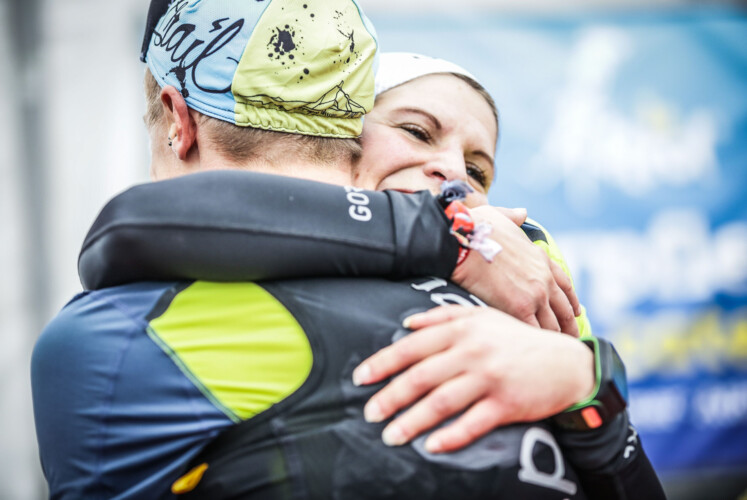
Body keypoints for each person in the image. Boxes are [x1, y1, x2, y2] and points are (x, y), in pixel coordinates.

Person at [31, 1, 665, 499]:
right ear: (350, 135)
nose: (452, 178)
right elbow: (133, 229)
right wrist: (449, 232)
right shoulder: (486, 251)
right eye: (415, 131)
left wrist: (588, 386)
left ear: (178, 119)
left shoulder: (521, 264)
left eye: (477, 171)